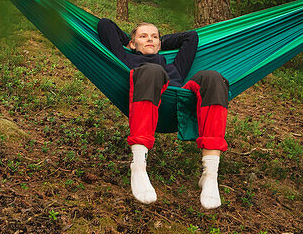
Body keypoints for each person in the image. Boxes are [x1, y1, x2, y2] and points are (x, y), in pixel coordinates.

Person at [96, 18, 229, 209]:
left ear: (160, 43)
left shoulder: (175, 67)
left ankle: (210, 174)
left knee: (215, 79)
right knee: (152, 70)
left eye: (154, 37)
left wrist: (156, 42)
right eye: (143, 36)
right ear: (132, 44)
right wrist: (130, 41)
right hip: (147, 94)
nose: (149, 39)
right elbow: (105, 25)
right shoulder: (125, 58)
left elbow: (191, 37)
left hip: (176, 102)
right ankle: (139, 165)